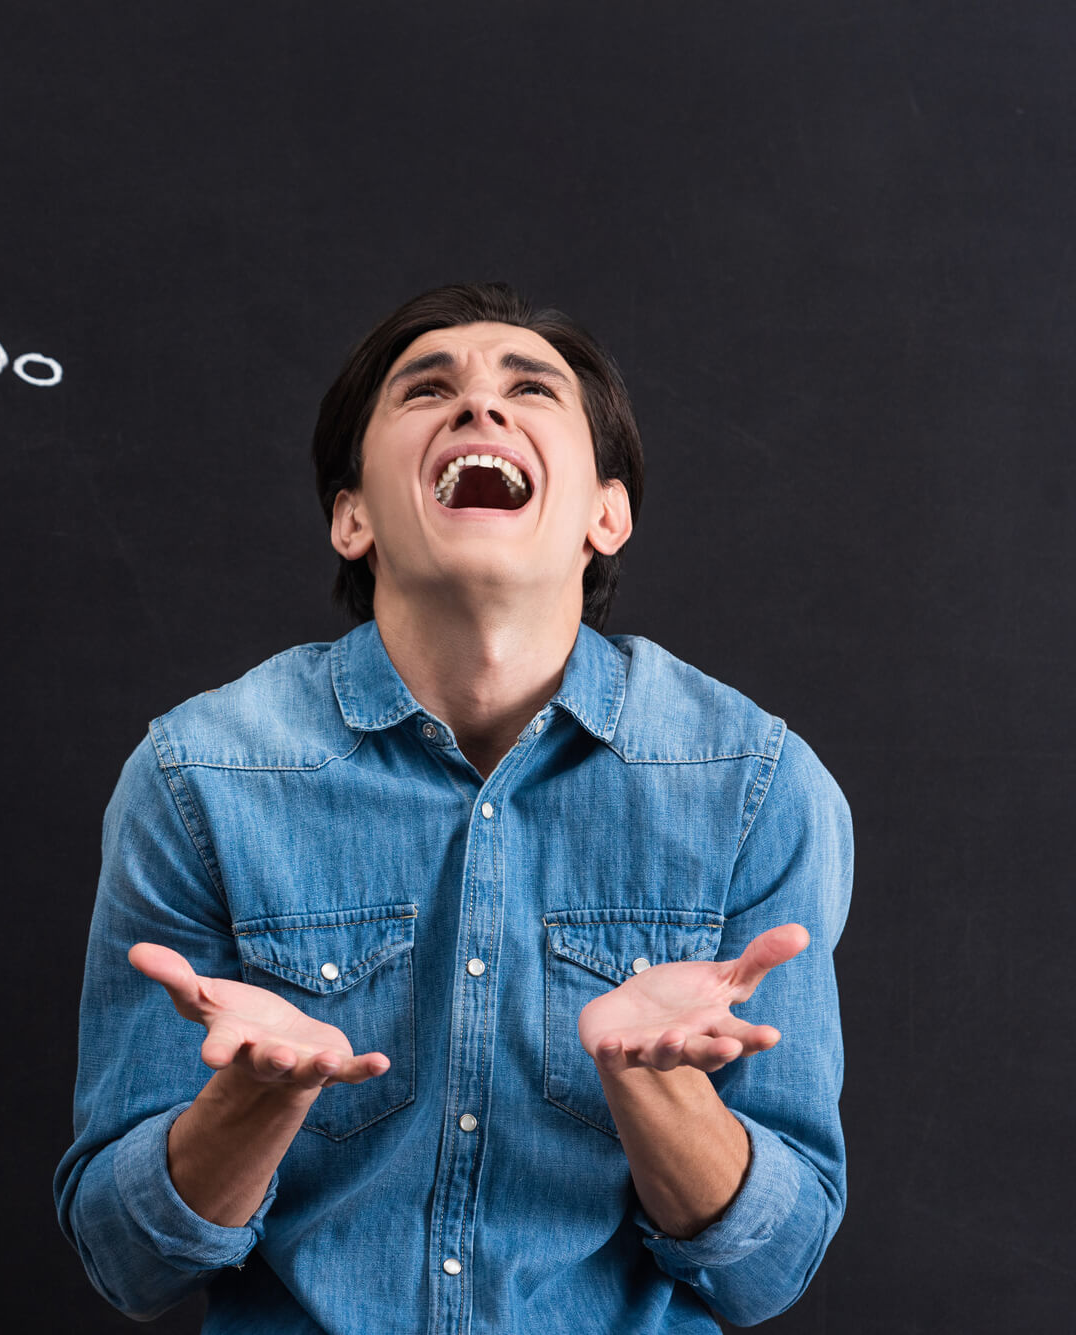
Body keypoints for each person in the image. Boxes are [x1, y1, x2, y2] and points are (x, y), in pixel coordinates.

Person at [52, 282, 851, 1332]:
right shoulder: (196, 779)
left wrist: (652, 1087)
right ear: (352, 516)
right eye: (426, 390)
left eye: (529, 388)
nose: (479, 409)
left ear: (605, 514)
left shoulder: (751, 783)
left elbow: (770, 1271)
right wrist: (251, 1102)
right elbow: (125, 1264)